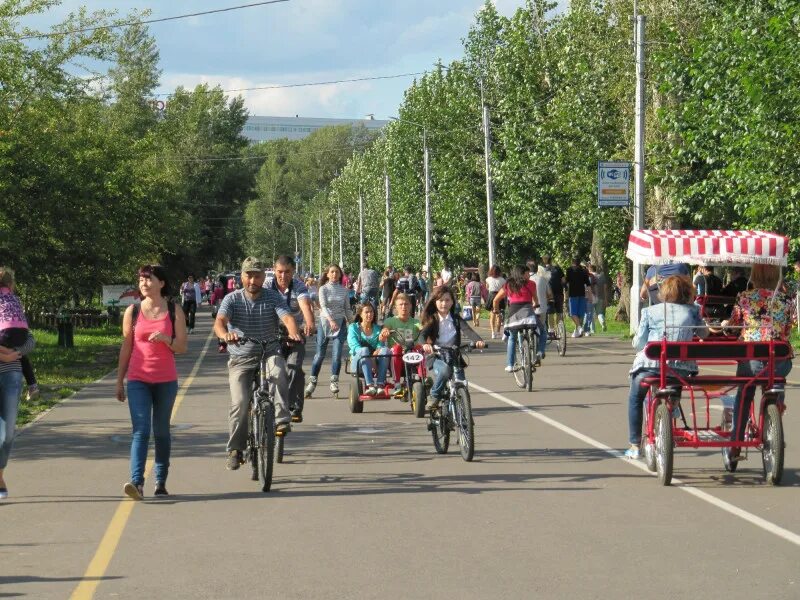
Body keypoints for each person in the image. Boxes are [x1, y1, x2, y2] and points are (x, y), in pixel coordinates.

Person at [214, 257, 302, 471]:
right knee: (240, 403)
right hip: (241, 359)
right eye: (248, 275)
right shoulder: (232, 299)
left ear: (264, 277)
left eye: (257, 275)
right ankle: (235, 449)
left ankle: (282, 420)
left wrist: (293, 332)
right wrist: (226, 335)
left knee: (279, 371)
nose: (252, 280)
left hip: (268, 352)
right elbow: (220, 322)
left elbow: (287, 318)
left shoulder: (273, 297)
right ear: (241, 277)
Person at [116, 265, 188, 499]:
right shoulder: (133, 311)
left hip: (166, 380)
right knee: (141, 430)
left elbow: (182, 347)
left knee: (161, 431)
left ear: (161, 283)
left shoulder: (174, 310)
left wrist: (167, 339)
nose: (144, 283)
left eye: (149, 279)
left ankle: (161, 480)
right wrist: (119, 381)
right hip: (138, 379)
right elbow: (126, 347)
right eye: (141, 280)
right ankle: (136, 482)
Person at [624, 275, 708, 459]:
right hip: (680, 370)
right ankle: (673, 404)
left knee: (635, 398)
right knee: (675, 379)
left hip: (650, 367)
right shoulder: (693, 311)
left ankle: (634, 445)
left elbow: (638, 343)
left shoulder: (651, 312)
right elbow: (704, 333)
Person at [721, 264, 796, 462]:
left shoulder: (745, 297)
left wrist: (725, 327)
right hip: (779, 359)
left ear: (754, 274)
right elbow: (789, 327)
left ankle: (736, 443)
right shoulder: (786, 299)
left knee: (745, 395)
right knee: (776, 382)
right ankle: (775, 415)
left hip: (752, 360)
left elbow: (735, 325)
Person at [265, 256, 315, 423]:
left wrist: (309, 323)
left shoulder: (299, 286)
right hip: (271, 334)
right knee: (272, 371)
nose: (283, 276)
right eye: (280, 272)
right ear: (274, 270)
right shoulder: (266, 286)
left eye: (287, 272)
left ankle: (292, 406)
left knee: (294, 368)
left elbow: (305, 306)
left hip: (295, 334)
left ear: (293, 271)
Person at [0, 267, 35, 500]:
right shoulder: (11, 301)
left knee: (8, 433)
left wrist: (15, 352)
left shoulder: (13, 306)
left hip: (12, 375)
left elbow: (30, 340)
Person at [419, 286, 485, 410]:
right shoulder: (433, 319)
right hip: (437, 356)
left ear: (453, 302)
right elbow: (422, 335)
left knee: (462, 385)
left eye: (447, 300)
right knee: (445, 371)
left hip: (454, 355)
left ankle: (464, 415)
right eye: (441, 300)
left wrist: (478, 340)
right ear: (435, 302)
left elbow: (467, 330)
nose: (444, 303)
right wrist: (425, 344)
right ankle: (434, 395)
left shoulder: (456, 319)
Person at [305, 264, 350, 398]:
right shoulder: (323, 289)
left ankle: (334, 381)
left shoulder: (344, 291)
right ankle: (312, 382)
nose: (335, 274)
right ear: (328, 274)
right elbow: (323, 307)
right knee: (320, 355)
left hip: (340, 324)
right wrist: (330, 320)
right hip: (325, 323)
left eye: (337, 272)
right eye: (332, 272)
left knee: (337, 355)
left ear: (340, 274)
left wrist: (353, 322)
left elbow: (347, 308)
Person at [492, 266, 538, 372]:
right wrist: (536, 304)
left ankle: (510, 364)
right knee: (537, 331)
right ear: (522, 274)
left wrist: (496, 311)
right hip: (528, 315)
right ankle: (534, 354)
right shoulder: (531, 284)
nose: (528, 276)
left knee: (512, 338)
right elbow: (535, 299)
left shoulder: (508, 285)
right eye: (527, 273)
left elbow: (495, 300)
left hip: (513, 315)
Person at [379, 293, 423, 394]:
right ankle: (397, 383)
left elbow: (423, 330)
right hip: (396, 357)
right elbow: (385, 329)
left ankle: (422, 377)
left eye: (406, 304)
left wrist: (428, 337)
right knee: (397, 348)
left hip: (411, 355)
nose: (404, 307)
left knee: (420, 348)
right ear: (396, 307)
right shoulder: (390, 321)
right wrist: (384, 332)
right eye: (401, 305)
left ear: (411, 306)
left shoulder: (415, 322)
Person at [348, 303, 390, 396]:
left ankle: (380, 385)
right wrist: (370, 358)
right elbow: (354, 346)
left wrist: (374, 357)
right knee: (364, 350)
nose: (369, 314)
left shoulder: (378, 329)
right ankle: (370, 385)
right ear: (360, 314)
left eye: (371, 312)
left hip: (375, 361)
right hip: (358, 362)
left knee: (385, 350)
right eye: (366, 312)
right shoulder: (353, 328)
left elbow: (380, 345)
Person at [531, 265, 552, 362]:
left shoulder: (525, 281)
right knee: (542, 329)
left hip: (529, 309)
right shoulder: (543, 279)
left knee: (530, 329)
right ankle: (540, 350)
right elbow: (549, 294)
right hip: (542, 308)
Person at [565, 258, 590, 337]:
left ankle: (579, 328)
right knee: (579, 314)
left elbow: (567, 282)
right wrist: (590, 295)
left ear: (572, 263)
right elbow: (588, 284)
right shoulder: (584, 271)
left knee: (572, 313)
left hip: (573, 294)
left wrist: (566, 293)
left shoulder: (569, 270)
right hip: (582, 294)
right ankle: (577, 330)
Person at [542, 255, 565, 332]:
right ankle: (559, 329)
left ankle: (551, 329)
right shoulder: (558, 268)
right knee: (559, 312)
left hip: (548, 295)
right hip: (559, 293)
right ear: (551, 261)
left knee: (550, 312)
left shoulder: (543, 271)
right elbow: (563, 280)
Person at [485, 265, 506, 339]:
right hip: (500, 296)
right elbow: (504, 289)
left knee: (492, 314)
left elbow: (487, 288)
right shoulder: (503, 280)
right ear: (499, 271)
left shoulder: (488, 279)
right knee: (499, 314)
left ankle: (493, 333)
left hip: (491, 296)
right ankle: (498, 332)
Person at [593, 264, 609, 332]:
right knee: (600, 313)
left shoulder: (590, 276)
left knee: (591, 314)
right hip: (601, 297)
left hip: (592, 297)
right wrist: (605, 298)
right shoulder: (602, 277)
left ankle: (592, 330)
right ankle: (602, 323)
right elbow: (605, 288)